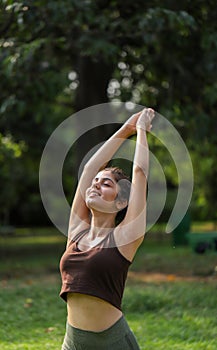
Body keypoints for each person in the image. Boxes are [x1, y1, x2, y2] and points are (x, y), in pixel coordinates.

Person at [59, 108, 155, 349]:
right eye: (95, 183)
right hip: (72, 342)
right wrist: (125, 129)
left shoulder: (125, 237)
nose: (96, 185)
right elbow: (90, 169)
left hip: (111, 343)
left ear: (121, 201)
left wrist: (141, 131)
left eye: (107, 184)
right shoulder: (77, 232)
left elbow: (140, 173)